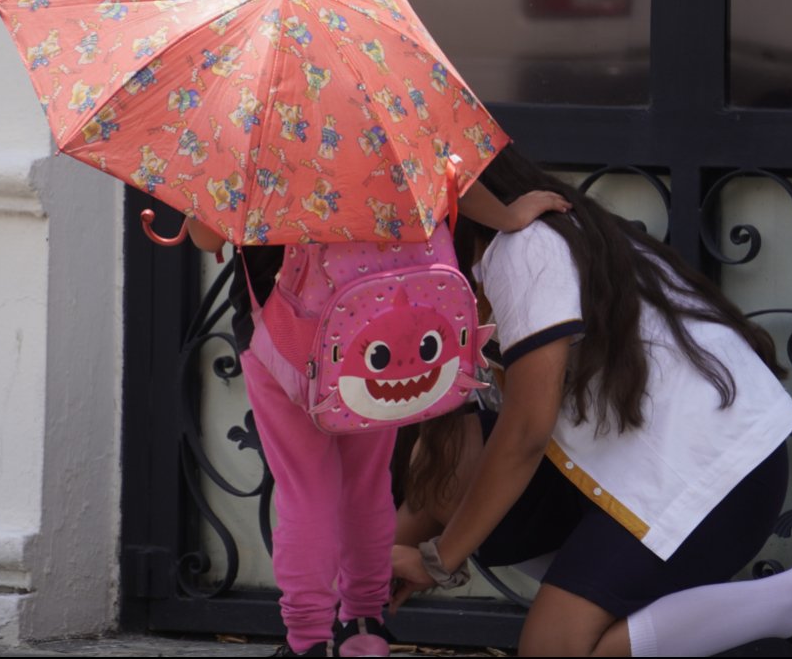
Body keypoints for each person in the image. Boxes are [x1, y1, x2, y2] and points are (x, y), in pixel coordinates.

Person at [389, 145, 792, 657]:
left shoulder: (525, 248)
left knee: (552, 649)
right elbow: (450, 456)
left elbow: (526, 431)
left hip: (717, 476)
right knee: (448, 460)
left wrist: (438, 560)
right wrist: (368, 578)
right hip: (622, 469)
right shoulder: (513, 248)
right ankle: (353, 624)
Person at [187, 177, 569, 658]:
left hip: (283, 341)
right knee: (367, 485)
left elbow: (206, 236)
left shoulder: (252, 132)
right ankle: (363, 627)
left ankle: (307, 640)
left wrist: (194, 196)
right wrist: (511, 216)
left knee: (306, 490)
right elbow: (454, 182)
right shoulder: (390, 116)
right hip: (377, 332)